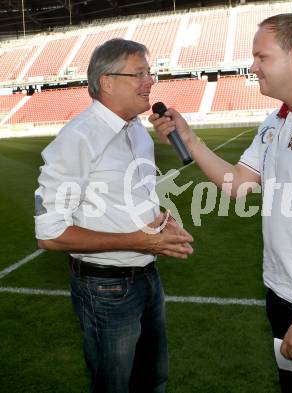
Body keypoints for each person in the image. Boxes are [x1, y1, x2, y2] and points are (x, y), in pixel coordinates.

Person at [149, 14, 292, 393]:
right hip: (283, 294)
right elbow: (238, 185)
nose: (252, 67)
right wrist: (189, 140)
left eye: (262, 57)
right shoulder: (275, 121)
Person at [34, 38, 193, 393]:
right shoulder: (78, 138)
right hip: (105, 288)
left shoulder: (137, 128)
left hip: (147, 277)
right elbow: (49, 234)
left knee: (153, 381)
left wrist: (161, 218)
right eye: (139, 74)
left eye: (150, 73)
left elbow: (129, 197)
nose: (150, 81)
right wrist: (138, 240)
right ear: (107, 81)